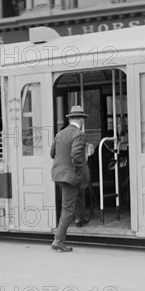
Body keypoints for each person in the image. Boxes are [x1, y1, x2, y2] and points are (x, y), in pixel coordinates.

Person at [50, 105, 90, 252]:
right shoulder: (78, 134)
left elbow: (52, 153)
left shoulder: (60, 133)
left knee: (68, 206)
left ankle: (79, 218)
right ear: (81, 120)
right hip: (70, 177)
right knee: (68, 210)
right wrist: (78, 175)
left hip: (59, 175)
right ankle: (58, 241)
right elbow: (76, 156)